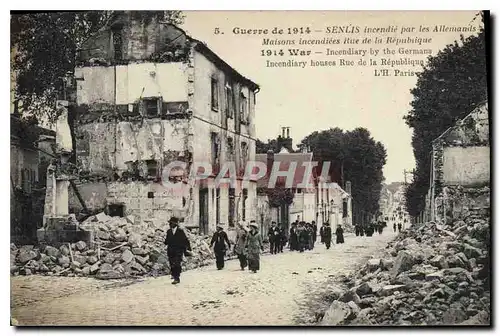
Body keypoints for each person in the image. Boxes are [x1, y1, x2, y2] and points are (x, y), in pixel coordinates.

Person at [164, 216, 192, 284]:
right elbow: (167, 241)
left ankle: (177, 278)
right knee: (172, 264)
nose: (169, 224)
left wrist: (188, 249)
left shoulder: (180, 231)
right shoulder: (169, 231)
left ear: (175, 224)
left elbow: (185, 240)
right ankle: (174, 275)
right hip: (170, 251)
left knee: (177, 264)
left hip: (178, 251)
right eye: (169, 223)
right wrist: (165, 242)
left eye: (171, 223)